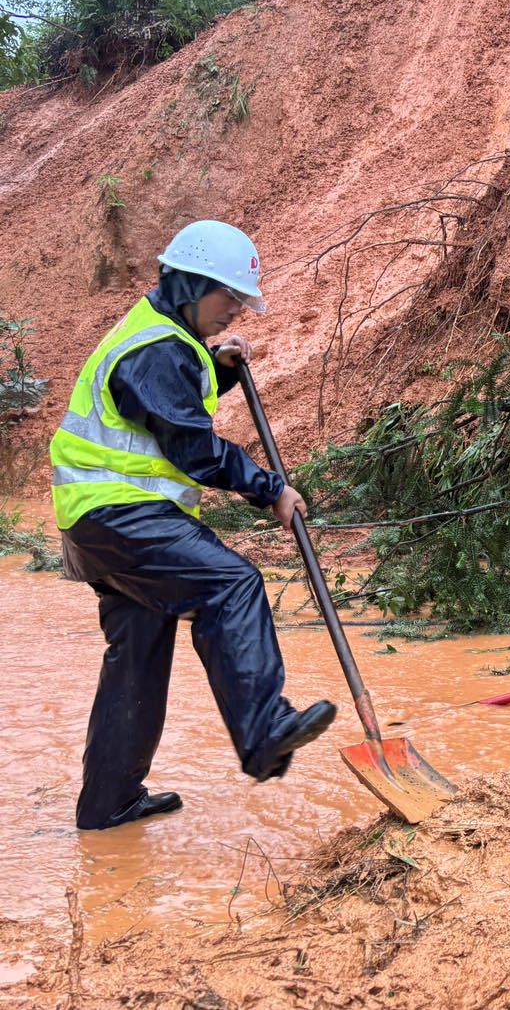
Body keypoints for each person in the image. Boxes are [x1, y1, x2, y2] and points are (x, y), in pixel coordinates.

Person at [52, 220, 337, 831]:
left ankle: (109, 802)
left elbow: (168, 403)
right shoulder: (158, 348)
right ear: (189, 285)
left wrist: (222, 367)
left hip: (99, 524)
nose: (236, 310)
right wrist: (271, 489)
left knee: (139, 652)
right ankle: (263, 731)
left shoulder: (164, 339)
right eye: (228, 297)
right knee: (231, 584)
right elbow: (194, 450)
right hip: (121, 515)